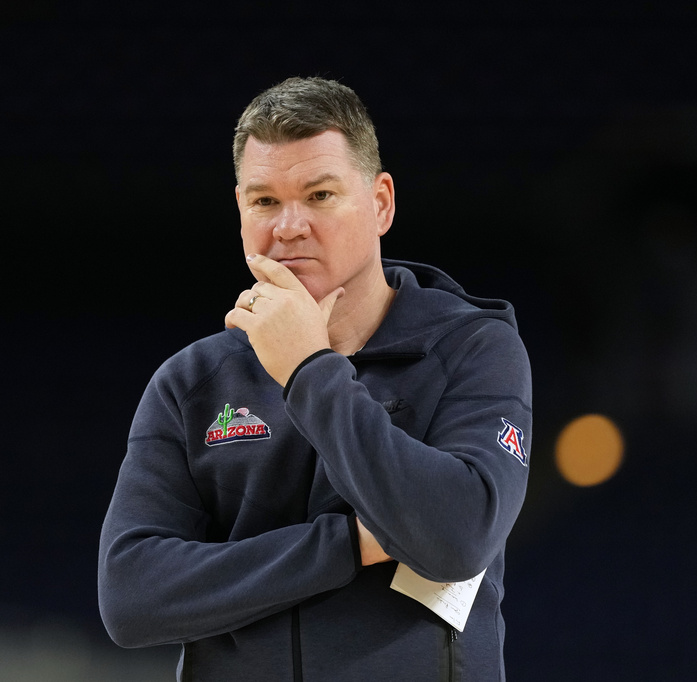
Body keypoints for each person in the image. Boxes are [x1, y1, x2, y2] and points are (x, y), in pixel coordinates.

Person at [98, 76, 532, 681]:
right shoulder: (191, 382)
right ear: (241, 210)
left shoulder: (473, 350)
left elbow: (455, 540)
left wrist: (308, 369)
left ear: (381, 203)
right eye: (264, 201)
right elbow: (131, 600)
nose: (289, 226)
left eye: (320, 195)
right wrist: (351, 545)